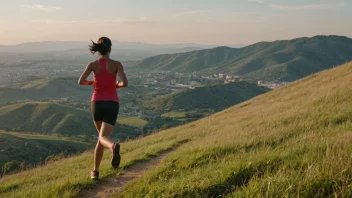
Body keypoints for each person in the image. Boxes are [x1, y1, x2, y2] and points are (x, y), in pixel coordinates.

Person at [78, 37, 128, 180]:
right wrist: (115, 85)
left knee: (100, 138)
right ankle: (113, 146)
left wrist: (93, 82)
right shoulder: (117, 64)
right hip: (112, 103)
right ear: (110, 48)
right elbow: (125, 83)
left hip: (97, 103)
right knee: (102, 137)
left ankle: (95, 171)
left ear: (99, 50)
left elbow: (80, 81)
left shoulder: (93, 64)